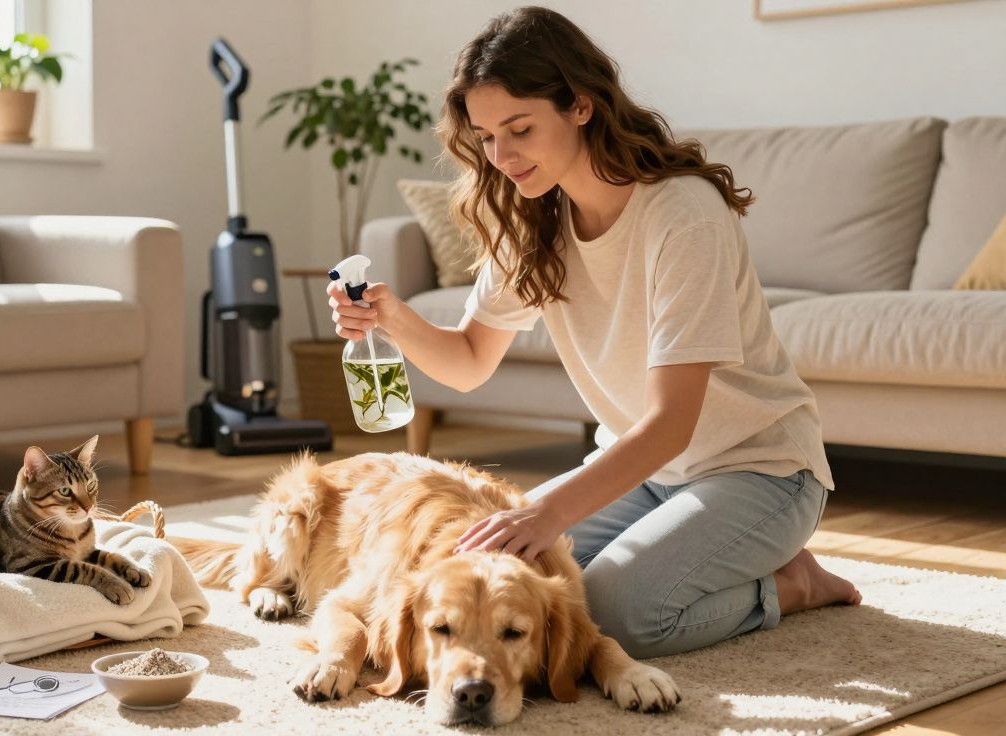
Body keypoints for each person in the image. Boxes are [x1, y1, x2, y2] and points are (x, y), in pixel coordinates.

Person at [325, 6, 860, 659]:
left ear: (580, 105)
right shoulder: (531, 221)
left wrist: (550, 513)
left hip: (759, 472)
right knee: (509, 583)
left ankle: (793, 582)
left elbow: (672, 423)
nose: (502, 156)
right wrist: (392, 316)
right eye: (488, 136)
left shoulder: (682, 214)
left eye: (520, 129)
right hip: (645, 475)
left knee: (616, 611)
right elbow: (468, 362)